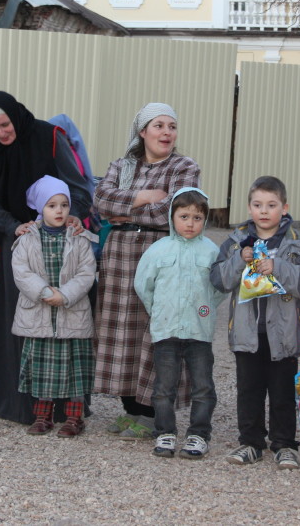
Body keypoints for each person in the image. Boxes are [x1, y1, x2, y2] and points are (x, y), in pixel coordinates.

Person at [0, 91, 92, 424]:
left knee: (59, 328)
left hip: (59, 247)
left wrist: (72, 216)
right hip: (12, 245)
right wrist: (17, 227)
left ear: (16, 115)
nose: (0, 133)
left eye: (5, 124)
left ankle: (63, 408)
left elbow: (79, 188)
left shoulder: (49, 137)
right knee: (21, 326)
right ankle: (17, 405)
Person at [93, 103, 201, 439]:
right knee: (119, 331)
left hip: (160, 256)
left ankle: (153, 412)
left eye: (172, 126)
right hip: (119, 258)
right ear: (142, 131)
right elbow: (100, 201)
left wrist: (126, 210)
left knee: (155, 332)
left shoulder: (185, 167)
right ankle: (131, 409)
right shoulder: (121, 166)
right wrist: (143, 195)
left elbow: (175, 211)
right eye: (159, 126)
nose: (167, 133)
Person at [210, 176, 300, 469]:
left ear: (285, 208)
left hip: (283, 334)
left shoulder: (297, 244)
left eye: (271, 205)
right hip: (247, 332)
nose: (264, 211)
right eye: (258, 205)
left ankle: (284, 444)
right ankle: (250, 442)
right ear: (249, 207)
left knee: (282, 391)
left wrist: (279, 267)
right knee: (249, 390)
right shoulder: (235, 242)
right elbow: (219, 280)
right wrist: (238, 261)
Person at [133, 188, 225, 460]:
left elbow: (220, 287)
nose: (190, 223)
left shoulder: (211, 251)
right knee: (164, 387)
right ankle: (165, 432)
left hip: (200, 331)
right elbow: (143, 285)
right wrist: (159, 311)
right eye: (184, 216)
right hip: (166, 330)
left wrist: (205, 309)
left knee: (203, 386)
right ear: (172, 216)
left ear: (205, 220)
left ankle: (198, 434)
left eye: (197, 218)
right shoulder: (159, 250)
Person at [11, 176, 98, 438]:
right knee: (42, 368)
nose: (59, 211)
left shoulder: (79, 238)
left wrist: (66, 295)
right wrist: (45, 292)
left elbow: (86, 272)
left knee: (74, 368)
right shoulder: (26, 239)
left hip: (71, 314)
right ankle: (42, 415)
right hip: (40, 314)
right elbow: (21, 272)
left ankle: (74, 417)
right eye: (51, 205)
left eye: (63, 205)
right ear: (40, 208)